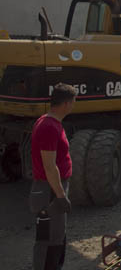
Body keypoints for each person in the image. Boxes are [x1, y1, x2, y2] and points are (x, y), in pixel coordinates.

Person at [29, 83, 77, 270]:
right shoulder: (49, 126)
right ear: (66, 103)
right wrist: (60, 196)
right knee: (49, 239)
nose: (73, 105)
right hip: (49, 190)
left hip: (52, 188)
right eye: (73, 102)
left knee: (57, 236)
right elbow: (50, 167)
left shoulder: (48, 122)